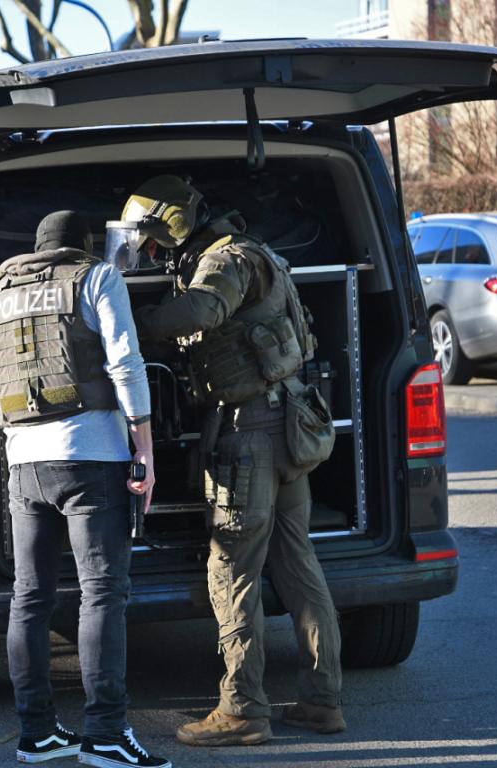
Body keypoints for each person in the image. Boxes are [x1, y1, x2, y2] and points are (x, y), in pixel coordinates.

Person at [117, 175, 344, 746]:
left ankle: (243, 708)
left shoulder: (225, 261)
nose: (151, 253)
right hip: (284, 426)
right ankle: (321, 701)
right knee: (297, 565)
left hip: (252, 433)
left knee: (232, 568)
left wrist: (123, 326)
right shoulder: (254, 252)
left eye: (151, 241)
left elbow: (201, 311)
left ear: (171, 224)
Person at [0, 211, 168, 768]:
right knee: (101, 593)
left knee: (31, 597)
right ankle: (107, 734)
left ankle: (37, 733)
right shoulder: (95, 277)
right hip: (91, 460)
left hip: (24, 468)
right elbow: (126, 362)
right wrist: (144, 447)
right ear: (83, 245)